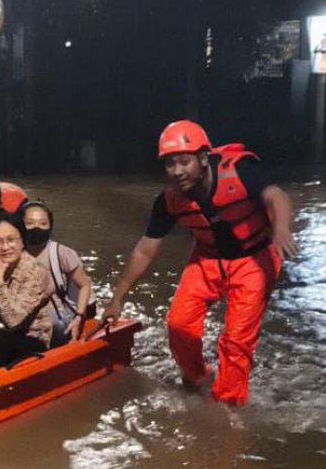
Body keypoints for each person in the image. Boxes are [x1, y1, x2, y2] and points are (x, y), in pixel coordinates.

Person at [102, 120, 297, 406]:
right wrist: (118, 297)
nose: (177, 171)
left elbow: (275, 195)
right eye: (170, 164)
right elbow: (145, 250)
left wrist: (281, 228)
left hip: (253, 258)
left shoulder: (239, 171)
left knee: (236, 341)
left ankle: (227, 407)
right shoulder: (168, 201)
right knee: (178, 324)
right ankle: (197, 378)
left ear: (203, 159)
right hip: (208, 257)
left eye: (184, 162)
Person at [0, 215, 53, 372]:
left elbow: (14, 320)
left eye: (11, 240)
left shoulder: (37, 271)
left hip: (30, 338)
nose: (5, 247)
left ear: (22, 242)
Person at [20, 201, 94, 346]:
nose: (37, 228)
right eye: (30, 223)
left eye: (43, 224)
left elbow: (85, 285)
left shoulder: (61, 253)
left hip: (59, 316)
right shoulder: (14, 253)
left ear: (50, 227)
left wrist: (79, 316)